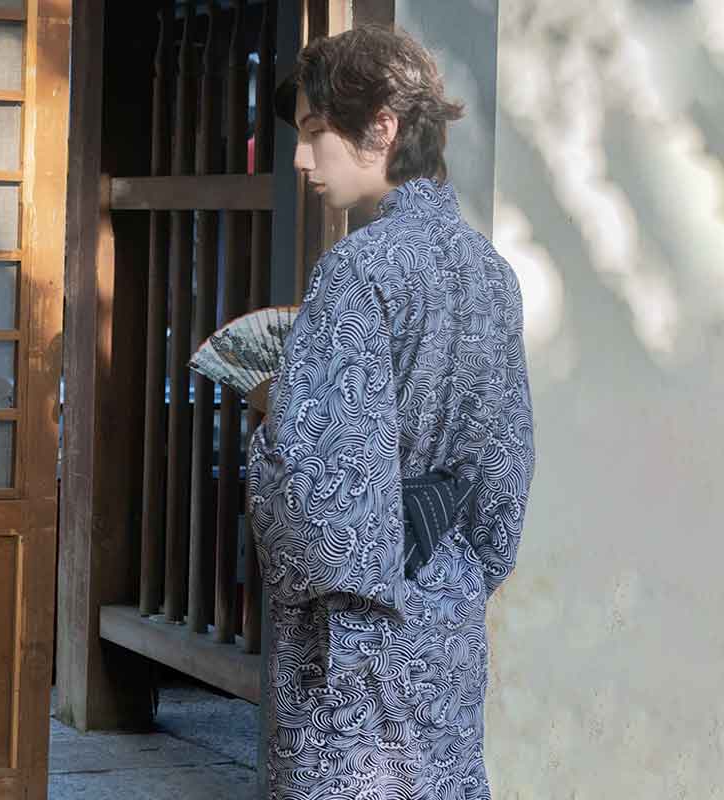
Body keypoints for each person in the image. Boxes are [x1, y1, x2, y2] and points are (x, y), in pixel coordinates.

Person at [247, 24, 535, 800]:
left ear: (382, 126)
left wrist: (273, 413)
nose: (303, 158)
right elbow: (505, 477)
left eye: (315, 133)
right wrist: (457, 571)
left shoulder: (358, 268)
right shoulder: (492, 273)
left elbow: (318, 497)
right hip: (445, 611)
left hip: (355, 638)